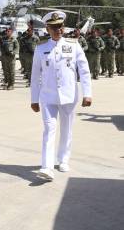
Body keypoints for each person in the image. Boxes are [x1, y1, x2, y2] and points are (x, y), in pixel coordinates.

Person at [30, 11, 92, 181]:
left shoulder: (74, 45)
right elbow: (35, 75)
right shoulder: (41, 48)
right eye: (54, 27)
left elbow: (84, 71)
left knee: (66, 129)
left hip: (69, 95)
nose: (58, 30)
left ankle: (63, 159)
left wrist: (88, 93)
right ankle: (47, 167)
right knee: (49, 129)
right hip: (48, 97)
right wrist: (34, 99)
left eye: (60, 26)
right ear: (47, 29)